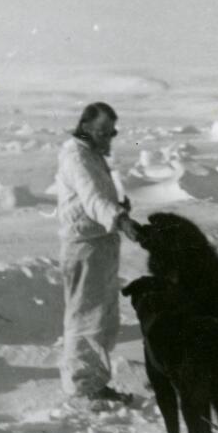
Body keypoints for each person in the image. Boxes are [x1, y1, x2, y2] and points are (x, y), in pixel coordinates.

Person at [52, 102, 144, 406]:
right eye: (103, 131)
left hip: (99, 244)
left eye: (112, 132)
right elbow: (92, 199)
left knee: (102, 319)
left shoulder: (90, 155)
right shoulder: (77, 156)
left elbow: (94, 200)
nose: (108, 138)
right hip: (85, 247)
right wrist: (119, 219)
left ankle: (95, 383)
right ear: (86, 127)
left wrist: (118, 210)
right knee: (85, 319)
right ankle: (83, 390)